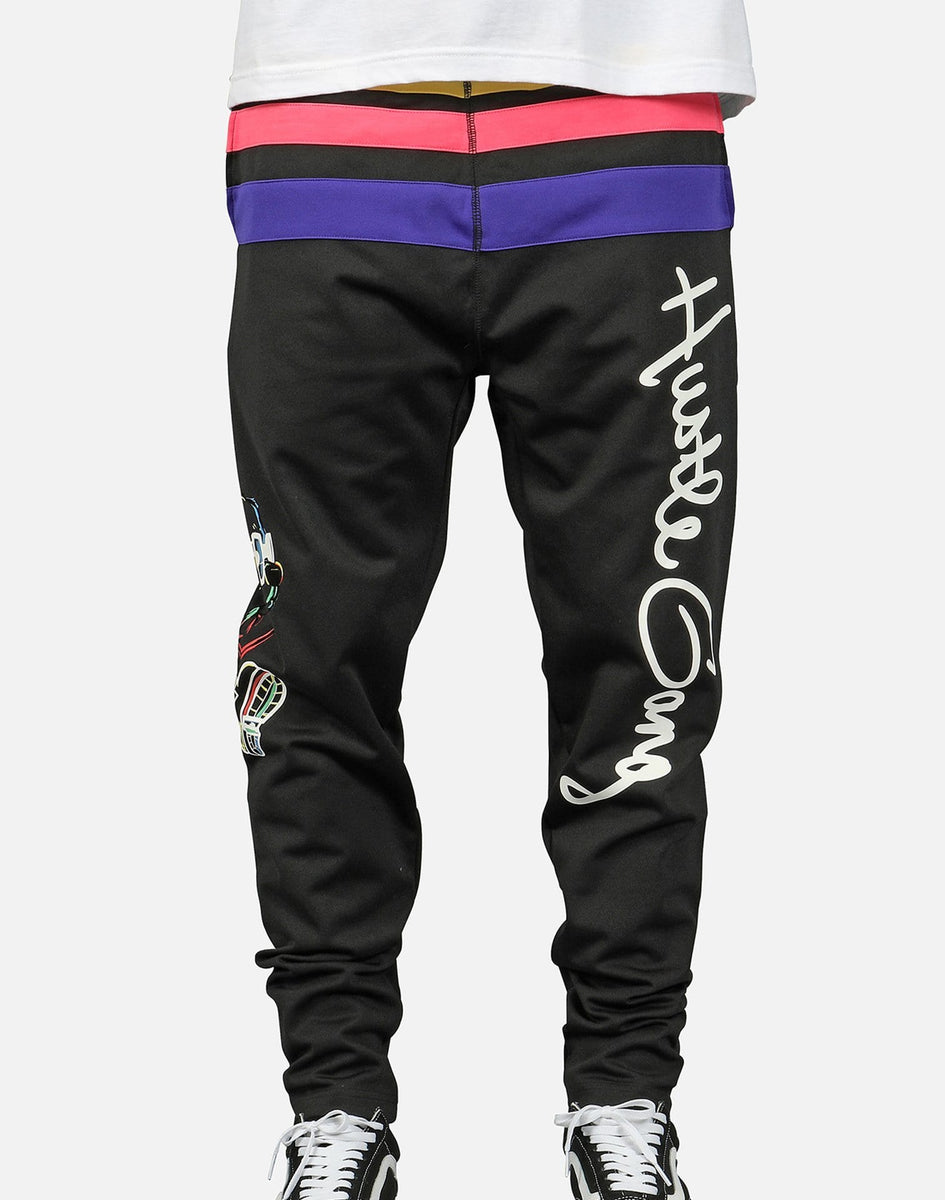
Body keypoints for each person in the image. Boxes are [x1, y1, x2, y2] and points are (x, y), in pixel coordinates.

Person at [223, 3, 755, 1197]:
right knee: (313, 653)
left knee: (648, 652)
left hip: (628, 103)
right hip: (331, 110)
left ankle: (624, 1096)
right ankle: (336, 1106)